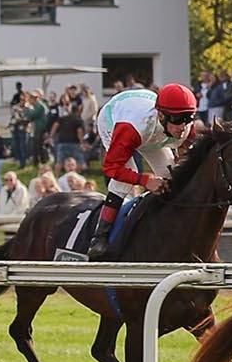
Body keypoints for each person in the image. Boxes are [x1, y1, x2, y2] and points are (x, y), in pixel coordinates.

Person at [84, 82, 202, 260]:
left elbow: (183, 154)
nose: (183, 126)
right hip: (113, 120)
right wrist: (145, 180)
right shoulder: (132, 129)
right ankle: (99, 237)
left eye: (189, 118)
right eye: (178, 120)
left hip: (151, 130)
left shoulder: (185, 127)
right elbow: (111, 168)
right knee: (126, 177)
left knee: (171, 176)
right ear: (162, 115)